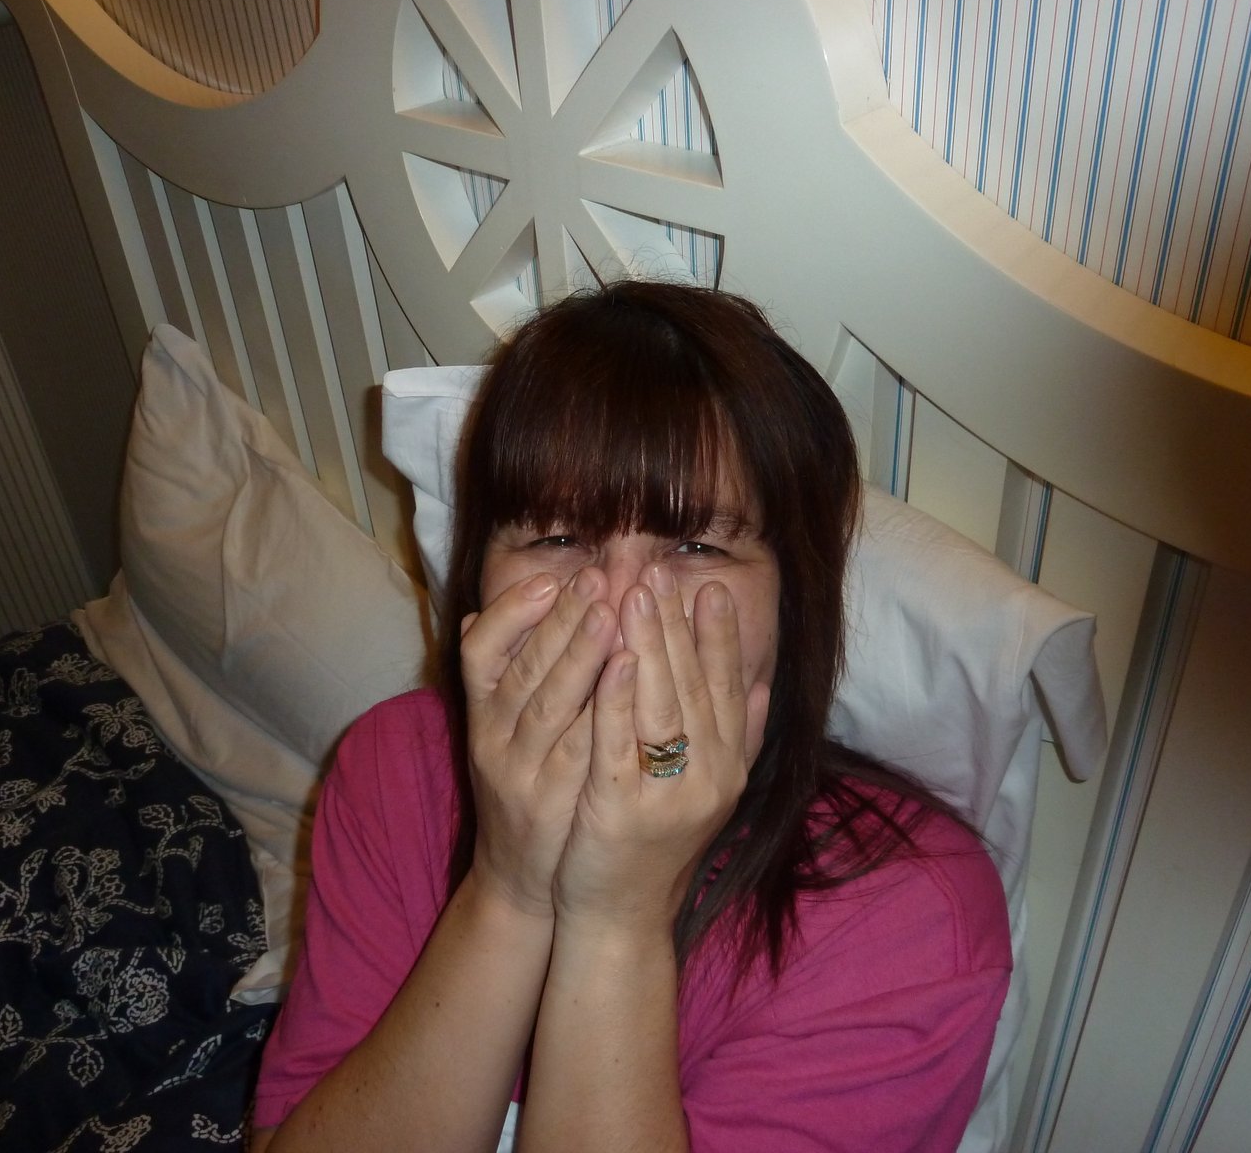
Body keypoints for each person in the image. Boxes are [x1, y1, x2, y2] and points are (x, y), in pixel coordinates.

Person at [249, 281, 1011, 1152]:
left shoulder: (910, 922)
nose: (615, 606)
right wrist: (509, 887)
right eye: (556, 538)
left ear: (794, 602)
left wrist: (619, 918)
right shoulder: (396, 763)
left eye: (696, 546)